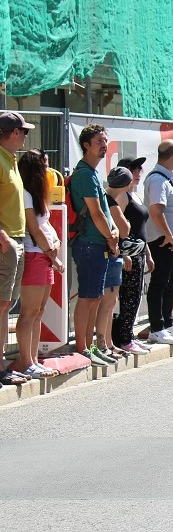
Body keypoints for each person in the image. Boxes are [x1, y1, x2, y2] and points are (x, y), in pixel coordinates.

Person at [69, 124, 124, 367]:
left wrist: (112, 233)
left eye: (105, 140)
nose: (104, 144)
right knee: (88, 298)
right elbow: (96, 213)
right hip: (90, 244)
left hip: (97, 243)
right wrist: (112, 238)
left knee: (95, 297)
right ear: (86, 145)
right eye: (99, 140)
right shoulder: (84, 174)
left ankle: (90, 346)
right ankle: (82, 348)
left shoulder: (91, 173)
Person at [11, 149, 64, 378]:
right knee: (29, 311)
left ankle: (33, 361)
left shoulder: (35, 193)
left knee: (39, 311)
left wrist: (55, 246)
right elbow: (33, 227)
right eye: (45, 165)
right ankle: (26, 363)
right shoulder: (25, 193)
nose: (48, 170)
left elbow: (45, 226)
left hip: (44, 256)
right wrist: (53, 254)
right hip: (35, 256)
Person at [144, 140, 173, 344]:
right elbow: (156, 211)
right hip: (162, 240)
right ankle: (157, 327)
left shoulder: (166, 178)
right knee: (159, 283)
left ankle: (167, 323)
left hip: (170, 240)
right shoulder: (158, 180)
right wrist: (168, 235)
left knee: (170, 282)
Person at [109, 157, 154, 352]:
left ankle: (129, 335)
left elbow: (140, 228)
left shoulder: (135, 195)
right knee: (128, 297)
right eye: (133, 169)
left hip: (139, 253)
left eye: (139, 169)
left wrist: (148, 254)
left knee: (135, 296)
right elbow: (117, 226)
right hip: (127, 255)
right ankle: (123, 338)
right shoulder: (123, 197)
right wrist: (123, 254)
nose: (138, 173)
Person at [0, 111, 32, 384]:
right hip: (6, 241)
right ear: (13, 133)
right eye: (23, 132)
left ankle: (0, 367)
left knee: (5, 304)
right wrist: (3, 237)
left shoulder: (10, 160)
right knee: (0, 305)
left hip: (14, 240)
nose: (25, 137)